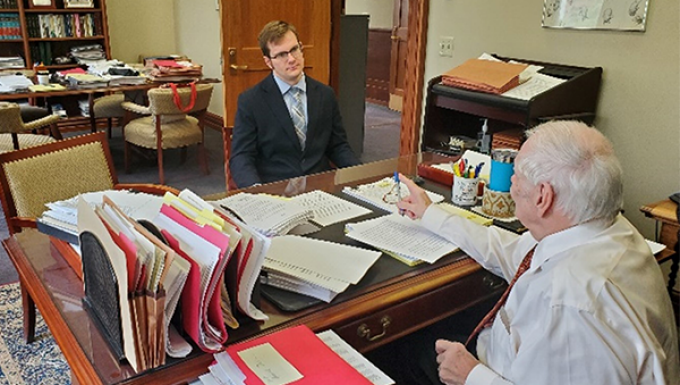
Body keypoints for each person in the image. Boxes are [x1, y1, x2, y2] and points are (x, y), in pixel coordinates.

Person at [395, 120, 679, 385]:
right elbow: (508, 251)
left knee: (405, 353)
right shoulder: (605, 229)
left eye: (516, 174)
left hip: (493, 373)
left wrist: (471, 375)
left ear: (543, 197)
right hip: (503, 351)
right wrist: (430, 213)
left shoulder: (573, 304)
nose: (511, 184)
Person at [229, 20, 360, 188]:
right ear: (268, 62)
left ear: (301, 48)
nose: (291, 59)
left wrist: (361, 176)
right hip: (275, 192)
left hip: (320, 189)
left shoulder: (325, 95)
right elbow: (242, 156)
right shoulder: (251, 101)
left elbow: (338, 146)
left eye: (294, 49)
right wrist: (256, 191)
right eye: (281, 54)